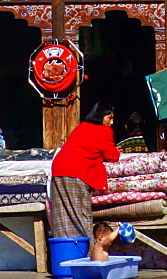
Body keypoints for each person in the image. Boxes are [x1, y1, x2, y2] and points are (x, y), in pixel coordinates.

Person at [50, 101, 121, 241]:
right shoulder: (104, 130)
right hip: (76, 172)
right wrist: (116, 151)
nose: (112, 122)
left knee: (62, 217)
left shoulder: (81, 127)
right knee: (80, 214)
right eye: (109, 118)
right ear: (100, 116)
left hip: (58, 169)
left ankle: (67, 252)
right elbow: (112, 156)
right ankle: (87, 252)